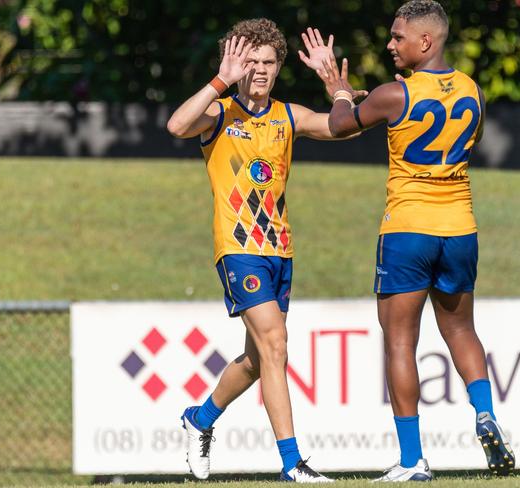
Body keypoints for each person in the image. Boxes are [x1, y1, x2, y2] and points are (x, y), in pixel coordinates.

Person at [312, 0, 515, 482]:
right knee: (462, 331)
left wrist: (338, 91)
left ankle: (412, 461)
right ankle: (484, 412)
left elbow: (340, 125)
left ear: (426, 41)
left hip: (407, 228)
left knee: (400, 341)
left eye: (398, 36)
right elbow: (471, 140)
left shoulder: (393, 94)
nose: (390, 43)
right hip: (461, 227)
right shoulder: (472, 90)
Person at [167, 19, 364, 483]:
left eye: (267, 62)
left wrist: (337, 87)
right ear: (236, 65)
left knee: (258, 361)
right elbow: (177, 125)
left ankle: (200, 419)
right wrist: (220, 79)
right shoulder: (218, 114)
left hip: (280, 249)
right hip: (238, 248)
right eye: (249, 61)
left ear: (278, 68)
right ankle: (292, 463)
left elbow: (345, 129)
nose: (258, 70)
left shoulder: (287, 116)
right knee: (276, 344)